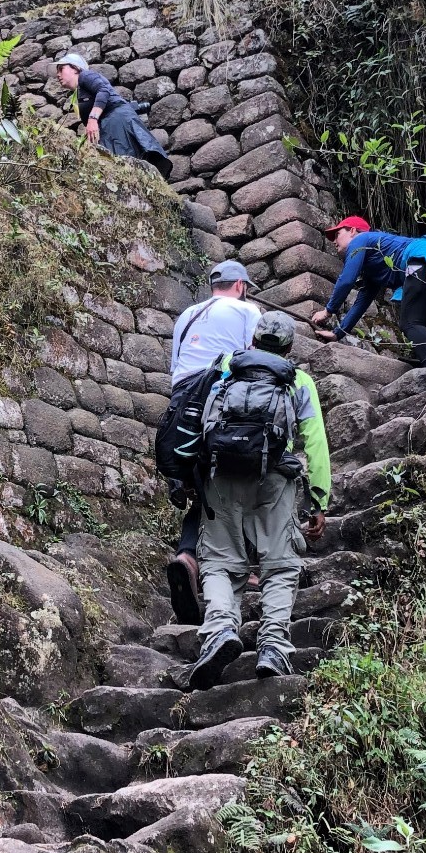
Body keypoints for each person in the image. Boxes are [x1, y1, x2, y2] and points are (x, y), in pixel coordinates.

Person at [190, 308, 330, 689]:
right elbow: (314, 441)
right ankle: (272, 646)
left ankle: (219, 630)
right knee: (280, 564)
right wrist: (318, 498)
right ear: (288, 346)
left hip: (222, 476)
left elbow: (199, 420)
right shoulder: (297, 380)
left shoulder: (226, 370)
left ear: (253, 339)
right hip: (274, 480)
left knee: (219, 562)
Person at [159, 259, 264, 625]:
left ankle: (187, 557)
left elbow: (177, 370)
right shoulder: (247, 310)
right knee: (244, 474)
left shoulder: (186, 315)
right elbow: (255, 357)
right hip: (220, 399)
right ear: (240, 286)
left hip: (181, 407)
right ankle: (240, 567)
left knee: (205, 484)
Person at [313, 214, 426, 366]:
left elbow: (346, 280)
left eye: (337, 235)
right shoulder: (373, 267)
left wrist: (328, 311)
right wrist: (337, 334)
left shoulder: (360, 240)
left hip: (422, 258)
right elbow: (361, 303)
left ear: (353, 231)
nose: (334, 242)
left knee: (410, 323)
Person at [54, 52, 171, 176]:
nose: (58, 74)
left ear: (75, 68)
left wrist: (92, 119)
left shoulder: (85, 76)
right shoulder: (81, 91)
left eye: (61, 69)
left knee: (125, 162)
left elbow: (103, 90)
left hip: (117, 121)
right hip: (109, 127)